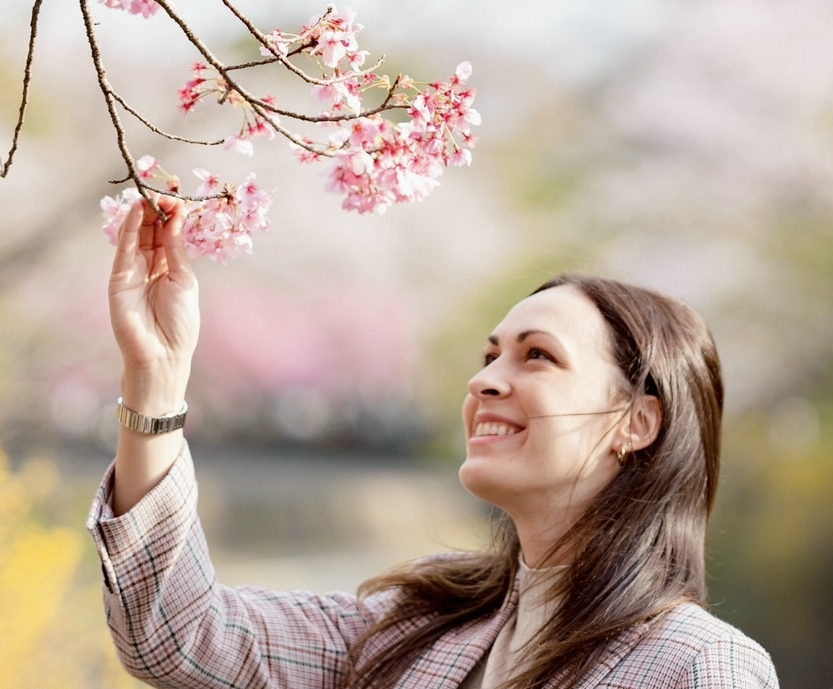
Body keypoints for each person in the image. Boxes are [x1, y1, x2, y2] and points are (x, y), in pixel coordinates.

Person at [88, 196, 779, 689]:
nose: (486, 381)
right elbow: (179, 636)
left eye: (536, 356)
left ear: (636, 421)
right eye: (489, 356)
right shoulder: (414, 628)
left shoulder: (696, 667)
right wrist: (156, 378)